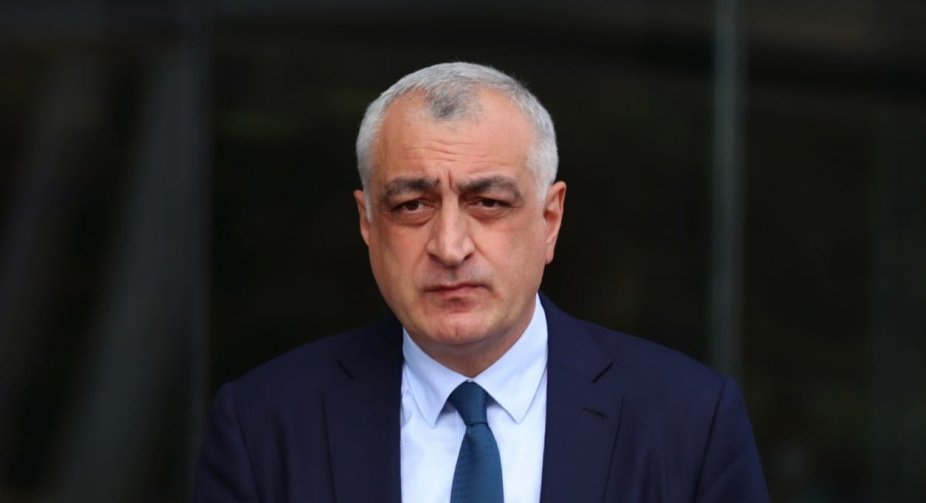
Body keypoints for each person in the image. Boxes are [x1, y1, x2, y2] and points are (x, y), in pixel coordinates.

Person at [193, 62, 769, 502]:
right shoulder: (264, 425)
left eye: (488, 202)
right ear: (368, 223)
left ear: (550, 220)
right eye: (413, 205)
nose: (449, 246)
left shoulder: (689, 422)